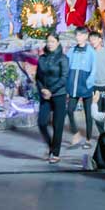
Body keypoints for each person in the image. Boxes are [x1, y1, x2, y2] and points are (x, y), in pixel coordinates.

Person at [36, 32, 69, 163]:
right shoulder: (42, 58)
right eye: (48, 42)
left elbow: (64, 78)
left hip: (59, 94)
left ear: (58, 43)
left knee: (57, 125)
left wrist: (51, 90)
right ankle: (51, 146)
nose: (50, 44)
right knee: (42, 122)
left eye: (52, 42)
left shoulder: (63, 58)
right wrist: (42, 89)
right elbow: (38, 77)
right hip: (45, 95)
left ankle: (55, 153)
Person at [65, 26, 96, 148]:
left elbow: (94, 70)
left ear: (85, 36)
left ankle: (88, 139)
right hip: (73, 85)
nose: (78, 37)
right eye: (76, 35)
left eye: (80, 35)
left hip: (85, 85)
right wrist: (68, 83)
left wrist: (89, 84)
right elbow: (67, 67)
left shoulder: (91, 52)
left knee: (88, 114)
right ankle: (75, 133)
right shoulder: (71, 51)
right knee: (69, 110)